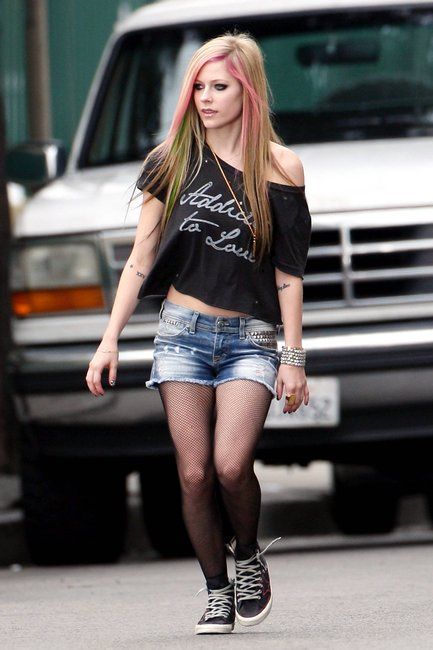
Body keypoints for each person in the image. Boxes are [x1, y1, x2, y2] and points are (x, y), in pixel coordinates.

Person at [86, 31, 311, 636]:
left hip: (252, 338)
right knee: (192, 473)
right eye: (198, 88)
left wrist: (294, 356)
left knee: (232, 464)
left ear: (249, 92)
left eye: (220, 87)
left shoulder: (280, 167)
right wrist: (110, 339)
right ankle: (216, 589)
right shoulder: (171, 162)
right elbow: (141, 255)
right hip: (181, 334)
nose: (206, 99)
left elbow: (288, 273)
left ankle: (247, 557)